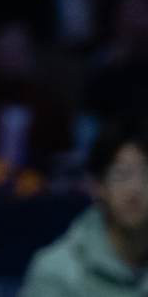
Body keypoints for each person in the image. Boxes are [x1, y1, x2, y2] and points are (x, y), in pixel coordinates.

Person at [20, 115, 148, 296]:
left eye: (145, 173)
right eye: (121, 174)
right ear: (97, 186)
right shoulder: (56, 272)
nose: (135, 189)